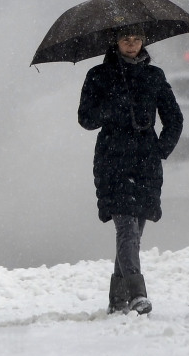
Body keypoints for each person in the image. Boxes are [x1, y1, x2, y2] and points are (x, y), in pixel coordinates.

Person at [78, 30, 183, 315]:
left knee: (134, 232)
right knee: (125, 227)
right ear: (116, 42)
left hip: (146, 163)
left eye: (137, 39)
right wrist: (111, 108)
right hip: (112, 160)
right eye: (126, 39)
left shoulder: (154, 76)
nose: (132, 44)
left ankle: (117, 301)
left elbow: (174, 118)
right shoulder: (98, 75)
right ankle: (138, 295)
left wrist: (160, 149)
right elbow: (85, 118)